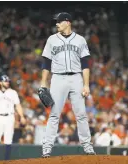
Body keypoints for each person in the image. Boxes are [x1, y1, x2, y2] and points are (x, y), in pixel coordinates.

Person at [39, 12, 96, 157]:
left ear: (68, 22)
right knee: (54, 114)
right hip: (58, 78)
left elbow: (85, 64)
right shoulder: (52, 39)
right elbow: (46, 63)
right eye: (56, 22)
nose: (56, 24)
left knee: (81, 114)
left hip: (76, 78)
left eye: (59, 21)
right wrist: (43, 82)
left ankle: (87, 146)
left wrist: (86, 84)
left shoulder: (80, 40)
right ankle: (47, 147)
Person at [0, 74, 26, 161]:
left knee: (8, 140)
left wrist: (22, 116)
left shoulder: (13, 93)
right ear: (0, 82)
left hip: (10, 117)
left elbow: (18, 106)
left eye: (8, 81)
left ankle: (6, 161)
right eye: (5, 81)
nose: (7, 82)